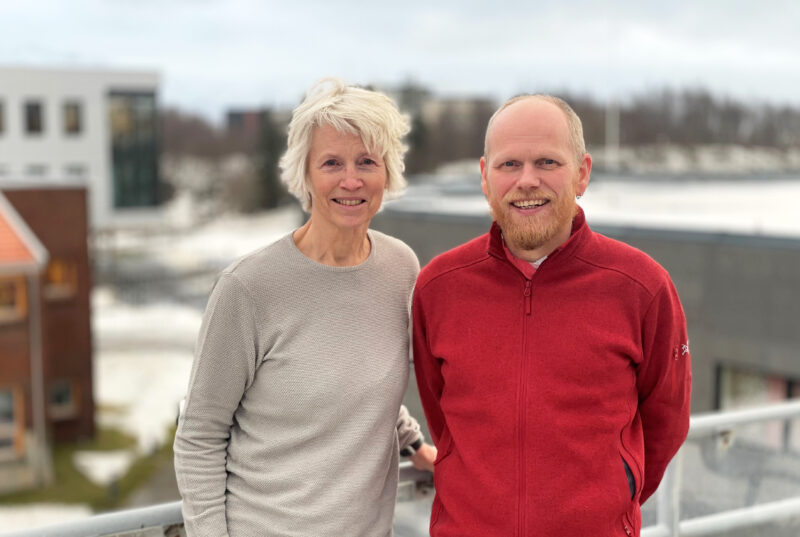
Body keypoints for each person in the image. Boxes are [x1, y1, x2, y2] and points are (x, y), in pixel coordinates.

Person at [412, 94, 691, 537]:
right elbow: (441, 416)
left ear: (582, 173)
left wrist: (609, 502)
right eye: (509, 165)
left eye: (547, 162)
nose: (527, 181)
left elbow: (667, 421)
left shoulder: (642, 287)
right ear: (485, 177)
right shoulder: (438, 286)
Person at [174, 78, 436, 537]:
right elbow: (199, 436)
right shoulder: (248, 288)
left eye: (367, 162)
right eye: (331, 162)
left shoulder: (401, 268)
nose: (350, 180)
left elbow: (361, 384)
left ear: (387, 173)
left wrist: (414, 443)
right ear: (305, 174)